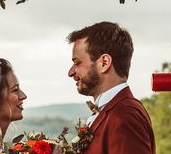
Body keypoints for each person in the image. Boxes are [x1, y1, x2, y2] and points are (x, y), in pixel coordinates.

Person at [67, 22, 156, 154]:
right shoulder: (113, 111)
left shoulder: (125, 117)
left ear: (104, 63)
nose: (71, 72)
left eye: (77, 62)